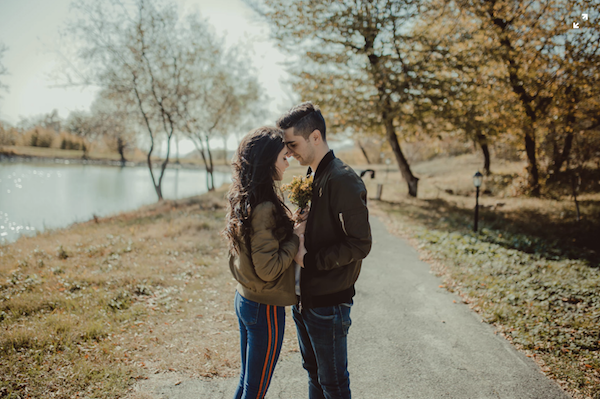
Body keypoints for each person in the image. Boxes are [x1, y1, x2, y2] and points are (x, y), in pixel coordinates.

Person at [277, 102, 372, 399]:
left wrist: (309, 260)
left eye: (292, 144)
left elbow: (359, 243)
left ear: (315, 137)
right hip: (305, 299)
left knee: (333, 384)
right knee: (315, 376)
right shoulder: (312, 176)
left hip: (328, 304)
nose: (289, 152)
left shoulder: (342, 179)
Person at [224, 126, 306, 399]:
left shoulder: (247, 196)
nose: (288, 161)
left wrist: (290, 223)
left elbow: (260, 245)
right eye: (284, 156)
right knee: (255, 391)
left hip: (246, 299)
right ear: (268, 160)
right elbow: (269, 267)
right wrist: (295, 237)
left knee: (247, 384)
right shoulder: (265, 206)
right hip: (265, 308)